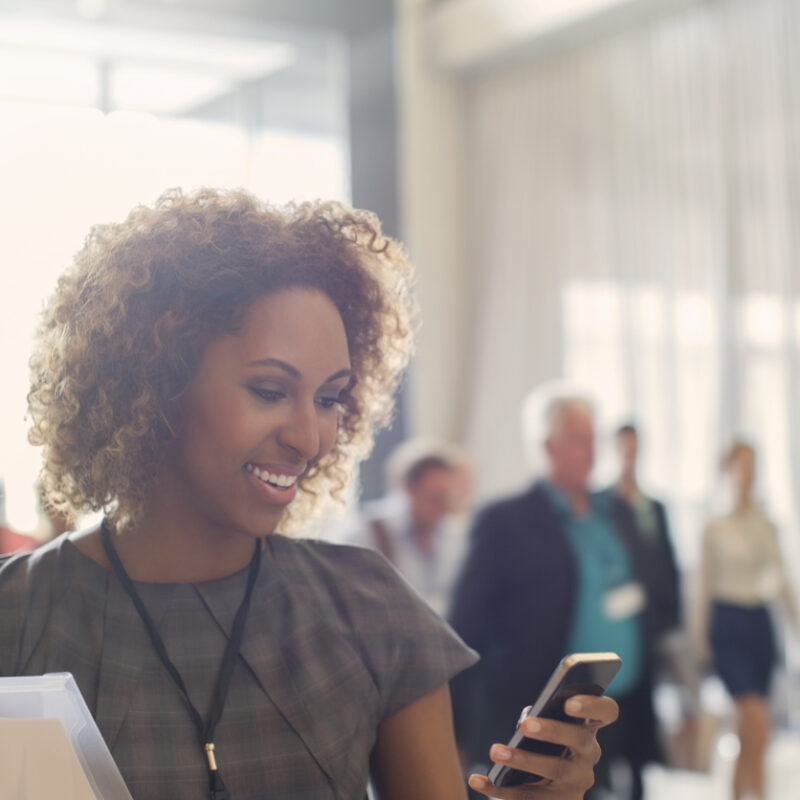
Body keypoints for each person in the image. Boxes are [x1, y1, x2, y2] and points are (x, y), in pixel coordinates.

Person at [0, 189, 617, 800]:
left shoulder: (368, 610)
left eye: (328, 399)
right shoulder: (21, 614)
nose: (310, 437)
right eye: (270, 390)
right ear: (158, 383)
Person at [449, 387, 656, 800]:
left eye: (594, 439)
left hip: (624, 700)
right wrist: (456, 730)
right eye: (580, 440)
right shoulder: (505, 520)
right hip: (544, 712)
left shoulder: (614, 511)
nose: (592, 452)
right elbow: (464, 628)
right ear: (547, 446)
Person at [694, 441, 798, 800]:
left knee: (750, 735)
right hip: (728, 625)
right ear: (728, 470)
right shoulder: (715, 525)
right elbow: (702, 586)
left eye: (754, 465)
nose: (748, 473)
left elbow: (783, 581)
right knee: (758, 725)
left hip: (760, 626)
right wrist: (697, 645)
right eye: (742, 465)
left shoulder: (767, 524)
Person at [346, 439, 467, 615]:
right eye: (433, 497)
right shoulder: (366, 534)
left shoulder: (454, 538)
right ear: (408, 489)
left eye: (446, 498)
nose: (442, 508)